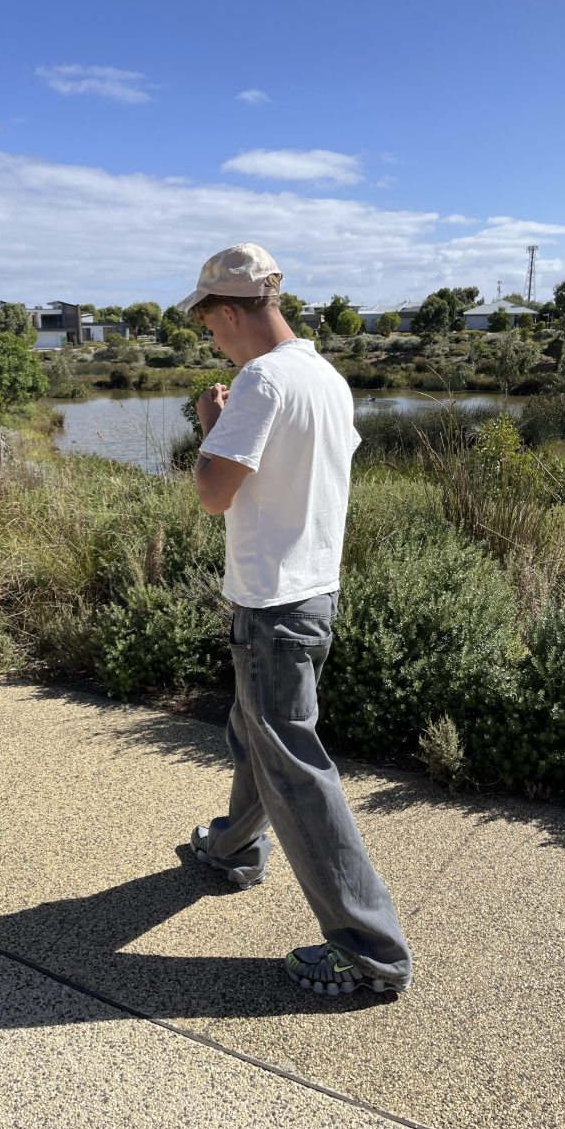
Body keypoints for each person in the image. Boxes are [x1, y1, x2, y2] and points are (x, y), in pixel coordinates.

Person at [179, 244, 412, 997]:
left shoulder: (259, 383)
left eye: (208, 323)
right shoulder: (324, 375)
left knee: (295, 771)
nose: (209, 337)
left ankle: (370, 952)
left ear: (226, 310)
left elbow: (214, 492)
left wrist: (209, 422)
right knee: (256, 732)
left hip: (274, 603)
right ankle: (231, 851)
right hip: (312, 592)